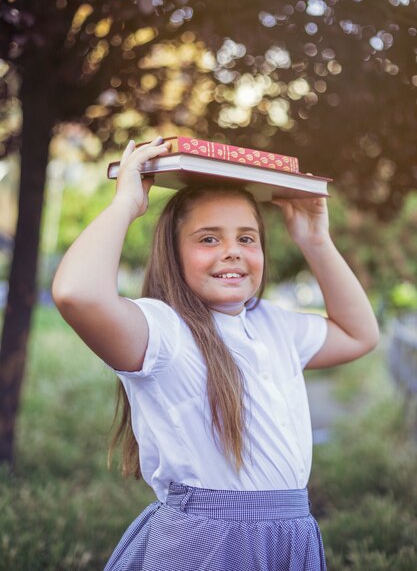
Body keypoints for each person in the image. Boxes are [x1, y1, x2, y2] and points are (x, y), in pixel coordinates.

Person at [52, 136, 379, 571]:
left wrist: (316, 241)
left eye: (247, 238)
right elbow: (77, 294)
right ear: (174, 252)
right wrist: (125, 205)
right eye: (208, 238)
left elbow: (359, 334)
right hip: (205, 544)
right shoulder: (164, 332)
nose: (232, 251)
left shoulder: (273, 324)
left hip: (290, 539)